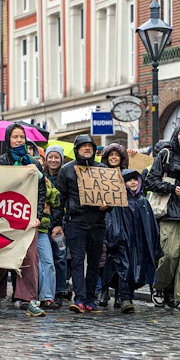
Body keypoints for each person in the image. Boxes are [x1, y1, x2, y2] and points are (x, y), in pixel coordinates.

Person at [0, 123, 46, 317]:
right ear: (8, 139)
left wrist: (38, 216)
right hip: (4, 219)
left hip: (27, 220)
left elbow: (40, 192)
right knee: (1, 259)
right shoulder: (0, 162)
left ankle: (29, 300)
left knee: (30, 258)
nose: (19, 140)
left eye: (22, 137)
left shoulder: (34, 165)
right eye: (15, 137)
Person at [53, 134, 108, 313]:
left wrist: (108, 206)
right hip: (76, 222)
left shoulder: (102, 169)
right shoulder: (67, 170)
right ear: (77, 149)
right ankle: (80, 298)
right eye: (83, 146)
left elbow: (111, 197)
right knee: (77, 261)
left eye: (90, 146)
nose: (87, 148)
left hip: (97, 223)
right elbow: (59, 200)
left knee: (94, 262)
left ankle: (91, 298)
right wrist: (57, 223)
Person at [105, 169, 162, 313]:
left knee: (138, 270)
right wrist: (116, 239)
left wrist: (155, 246)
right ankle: (125, 299)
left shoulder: (143, 201)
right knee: (124, 268)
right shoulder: (119, 201)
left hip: (140, 243)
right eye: (129, 180)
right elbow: (113, 222)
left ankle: (127, 296)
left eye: (135, 179)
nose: (133, 182)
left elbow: (152, 226)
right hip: (123, 242)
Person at [145, 126, 180, 308]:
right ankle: (158, 285)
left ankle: (176, 296)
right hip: (170, 211)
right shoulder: (166, 154)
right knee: (170, 254)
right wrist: (172, 188)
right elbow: (150, 181)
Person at [98, 143, 129, 306]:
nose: (114, 158)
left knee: (120, 257)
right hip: (104, 218)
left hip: (122, 219)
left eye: (117, 155)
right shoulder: (100, 174)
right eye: (111, 155)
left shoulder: (127, 175)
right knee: (103, 257)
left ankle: (118, 292)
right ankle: (103, 290)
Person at [44, 145, 69, 302]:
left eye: (56, 157)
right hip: (44, 224)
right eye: (50, 157)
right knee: (45, 259)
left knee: (60, 256)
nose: (53, 160)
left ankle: (60, 290)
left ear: (61, 159)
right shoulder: (41, 176)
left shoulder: (66, 176)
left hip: (61, 224)